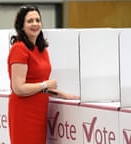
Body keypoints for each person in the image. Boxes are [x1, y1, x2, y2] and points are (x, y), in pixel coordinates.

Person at [7, 5, 80, 144]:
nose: (35, 24)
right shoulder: (19, 49)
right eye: (30, 21)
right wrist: (46, 84)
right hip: (23, 111)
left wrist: (64, 95)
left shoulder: (42, 49)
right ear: (21, 25)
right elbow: (19, 88)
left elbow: (41, 85)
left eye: (37, 20)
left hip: (39, 110)